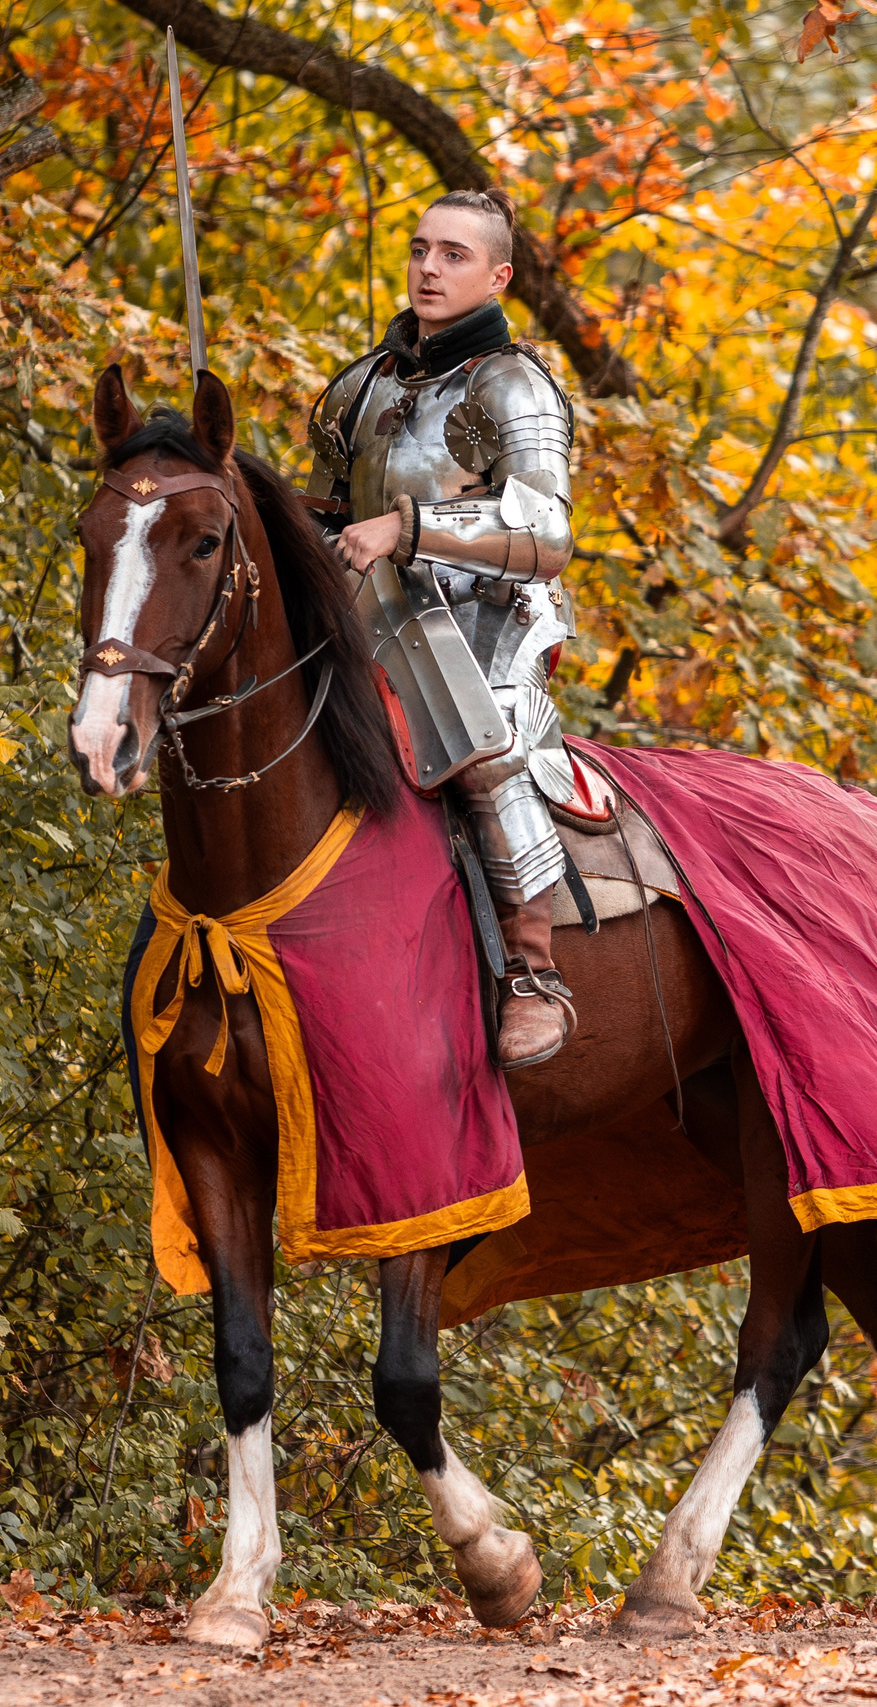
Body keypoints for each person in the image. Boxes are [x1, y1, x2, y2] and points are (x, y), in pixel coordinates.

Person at [305, 189, 582, 1071]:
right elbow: (322, 513)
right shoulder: (361, 385)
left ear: (498, 275)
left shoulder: (516, 386)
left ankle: (536, 976)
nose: (429, 267)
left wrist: (411, 529)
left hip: (490, 616)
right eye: (422, 249)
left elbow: (547, 538)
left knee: (483, 743)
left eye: (454, 255)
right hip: (370, 608)